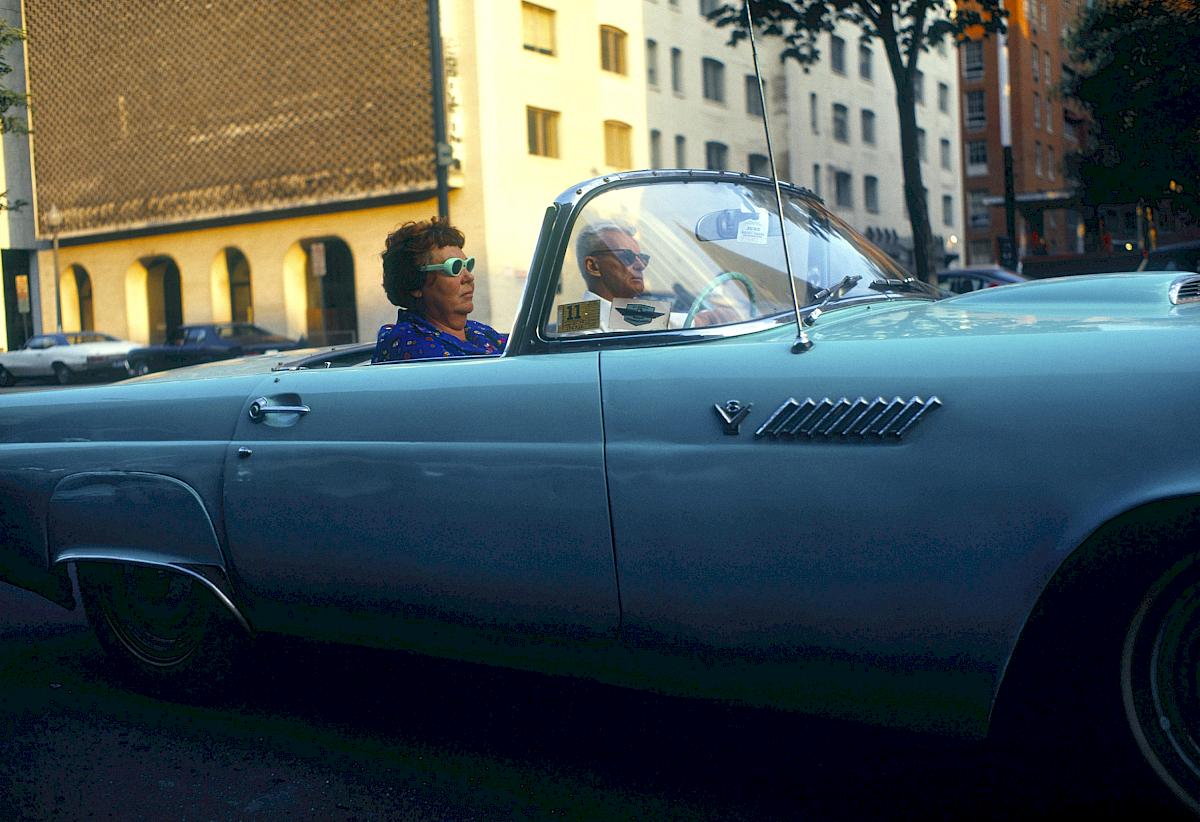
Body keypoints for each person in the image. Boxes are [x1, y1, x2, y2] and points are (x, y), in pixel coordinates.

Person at [372, 217, 506, 362]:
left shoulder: (478, 331)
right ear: (415, 284)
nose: (468, 277)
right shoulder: (410, 346)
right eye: (454, 267)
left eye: (467, 265)